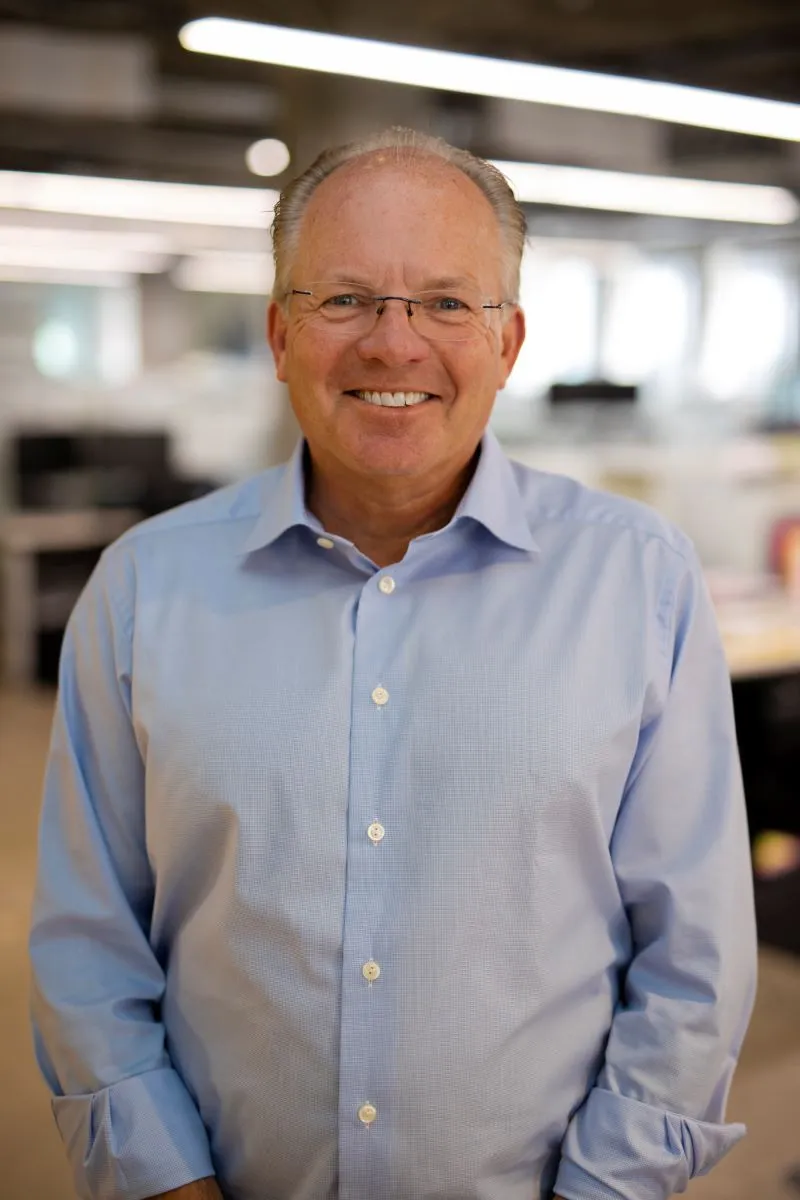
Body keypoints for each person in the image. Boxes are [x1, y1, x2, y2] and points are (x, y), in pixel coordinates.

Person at [29, 127, 757, 1200]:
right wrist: (161, 1179)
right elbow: (89, 940)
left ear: (507, 344)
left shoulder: (636, 581)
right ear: (280, 335)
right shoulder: (144, 590)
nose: (392, 343)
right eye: (345, 300)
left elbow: (692, 958)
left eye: (446, 304)